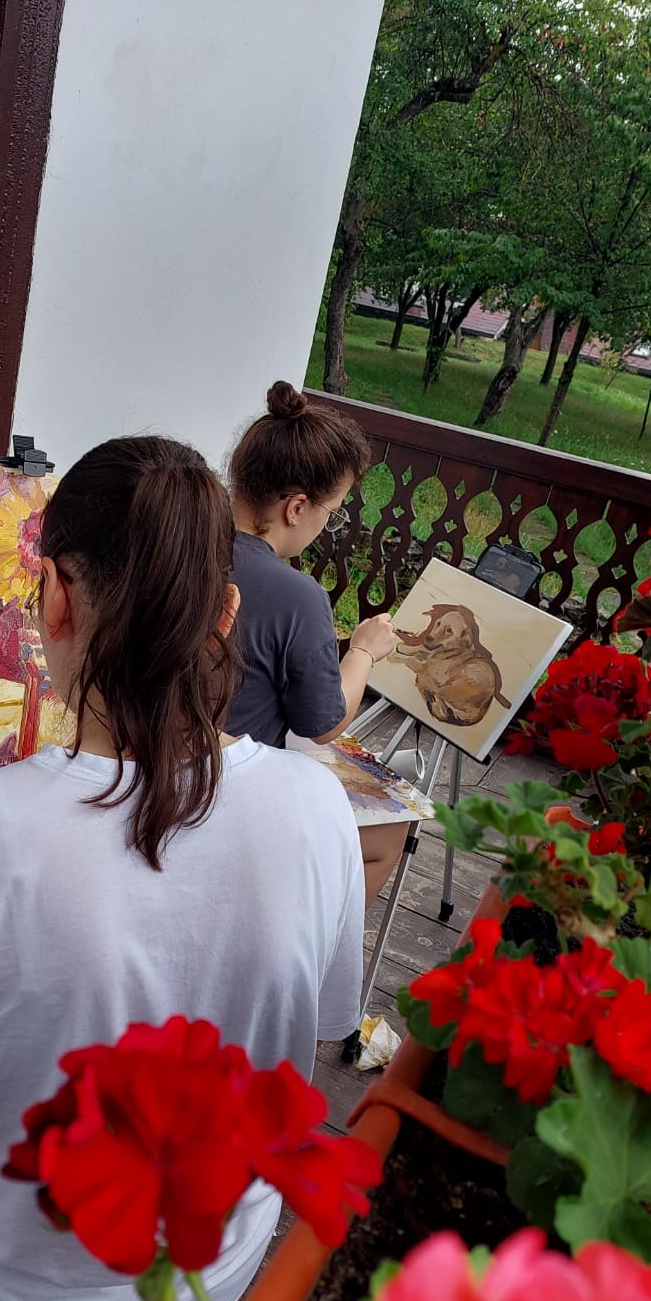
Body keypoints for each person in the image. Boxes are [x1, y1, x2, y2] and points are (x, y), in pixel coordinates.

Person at [0, 435, 365, 1301]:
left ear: (53, 598)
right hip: (197, 1276)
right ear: (227, 613)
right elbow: (318, 1035)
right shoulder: (319, 806)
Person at [226, 381, 404, 907]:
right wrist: (363, 651)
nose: (328, 525)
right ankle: (299, 943)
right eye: (333, 512)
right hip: (223, 793)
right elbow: (322, 724)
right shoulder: (296, 595)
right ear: (297, 507)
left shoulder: (178, 542)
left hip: (137, 757)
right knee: (388, 835)